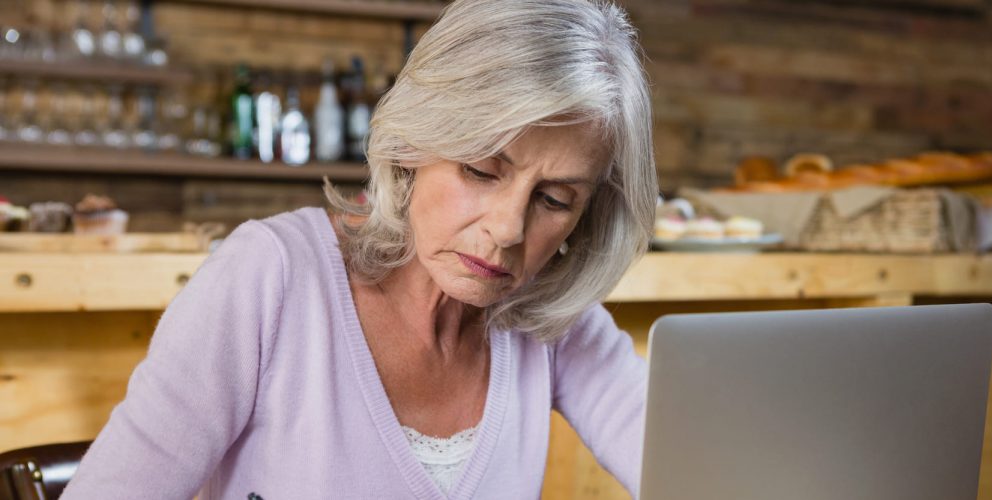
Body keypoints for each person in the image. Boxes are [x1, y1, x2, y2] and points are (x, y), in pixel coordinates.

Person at [61, 0, 657, 498]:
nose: (507, 229)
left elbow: (688, 462)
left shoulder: (555, 323)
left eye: (554, 199)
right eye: (480, 169)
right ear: (411, 146)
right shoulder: (270, 275)